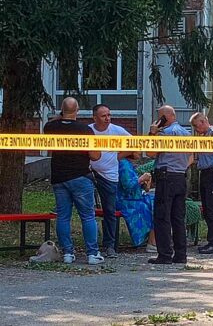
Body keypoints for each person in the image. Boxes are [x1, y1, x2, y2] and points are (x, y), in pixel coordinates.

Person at [43, 97, 105, 265]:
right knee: (87, 216)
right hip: (80, 177)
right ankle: (92, 254)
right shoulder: (84, 130)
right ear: (77, 110)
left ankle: (67, 254)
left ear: (61, 110)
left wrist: (61, 116)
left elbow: (53, 130)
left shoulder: (49, 127)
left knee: (63, 217)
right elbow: (95, 155)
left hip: (59, 177)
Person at [146, 105, 192, 264]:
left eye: (159, 117)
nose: (157, 120)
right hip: (180, 177)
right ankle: (181, 255)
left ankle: (164, 254)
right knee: (178, 218)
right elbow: (191, 157)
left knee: (162, 216)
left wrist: (152, 133)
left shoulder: (164, 133)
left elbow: (150, 153)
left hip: (166, 178)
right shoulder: (186, 133)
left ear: (165, 117)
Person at [89, 104, 131, 258]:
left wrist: (118, 156)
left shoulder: (117, 130)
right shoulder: (89, 131)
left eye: (108, 115)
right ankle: (90, 245)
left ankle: (109, 245)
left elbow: (134, 144)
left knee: (109, 211)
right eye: (103, 116)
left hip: (110, 176)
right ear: (95, 118)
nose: (107, 118)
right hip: (90, 173)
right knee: (87, 210)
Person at [190, 112, 213, 254]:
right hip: (205, 173)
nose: (195, 129)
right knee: (207, 209)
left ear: (203, 122)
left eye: (195, 126)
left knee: (212, 209)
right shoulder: (203, 136)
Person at [116, 153, 156, 251]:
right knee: (156, 204)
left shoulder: (128, 163)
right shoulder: (123, 164)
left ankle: (153, 239)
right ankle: (152, 242)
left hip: (134, 197)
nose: (140, 152)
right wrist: (142, 178)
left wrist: (144, 184)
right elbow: (128, 186)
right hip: (125, 201)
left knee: (158, 201)